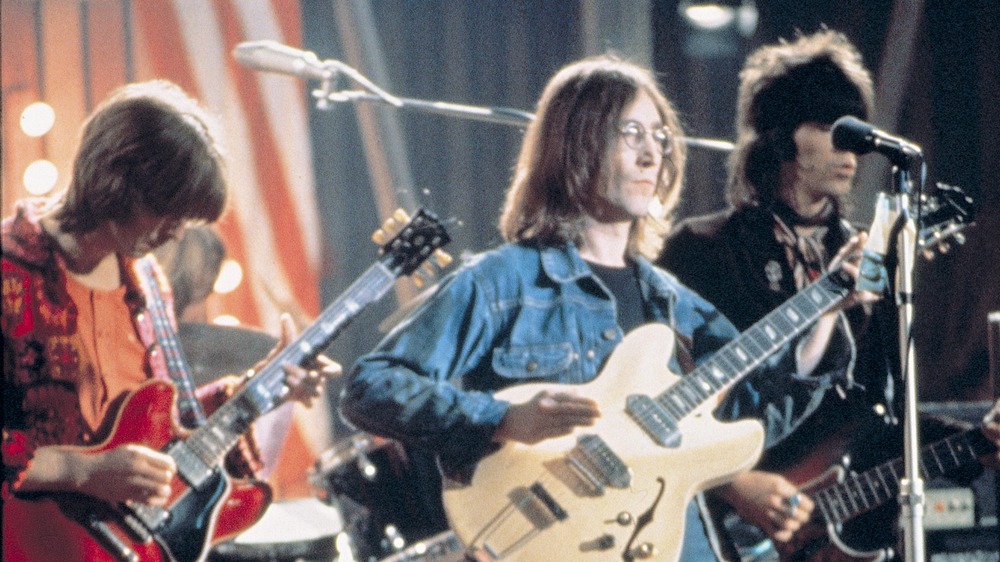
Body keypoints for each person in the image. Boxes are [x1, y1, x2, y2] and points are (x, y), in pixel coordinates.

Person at [340, 54, 875, 562]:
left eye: (660, 137)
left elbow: (753, 413)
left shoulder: (674, 303)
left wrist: (826, 309)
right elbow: (371, 386)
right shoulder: (504, 282)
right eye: (631, 133)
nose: (652, 153)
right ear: (577, 144)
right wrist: (503, 418)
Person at [658, 29, 1000, 560]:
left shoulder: (872, 257)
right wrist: (732, 484)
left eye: (855, 131)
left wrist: (978, 440)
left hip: (842, 538)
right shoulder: (702, 250)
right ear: (779, 137)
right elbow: (665, 401)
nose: (851, 150)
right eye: (827, 127)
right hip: (722, 520)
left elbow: (883, 419)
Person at [1, 80, 338, 560]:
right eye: (169, 210)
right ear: (115, 179)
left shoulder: (147, 282)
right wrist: (83, 471)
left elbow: (155, 426)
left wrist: (263, 388)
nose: (178, 231)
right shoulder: (8, 271)